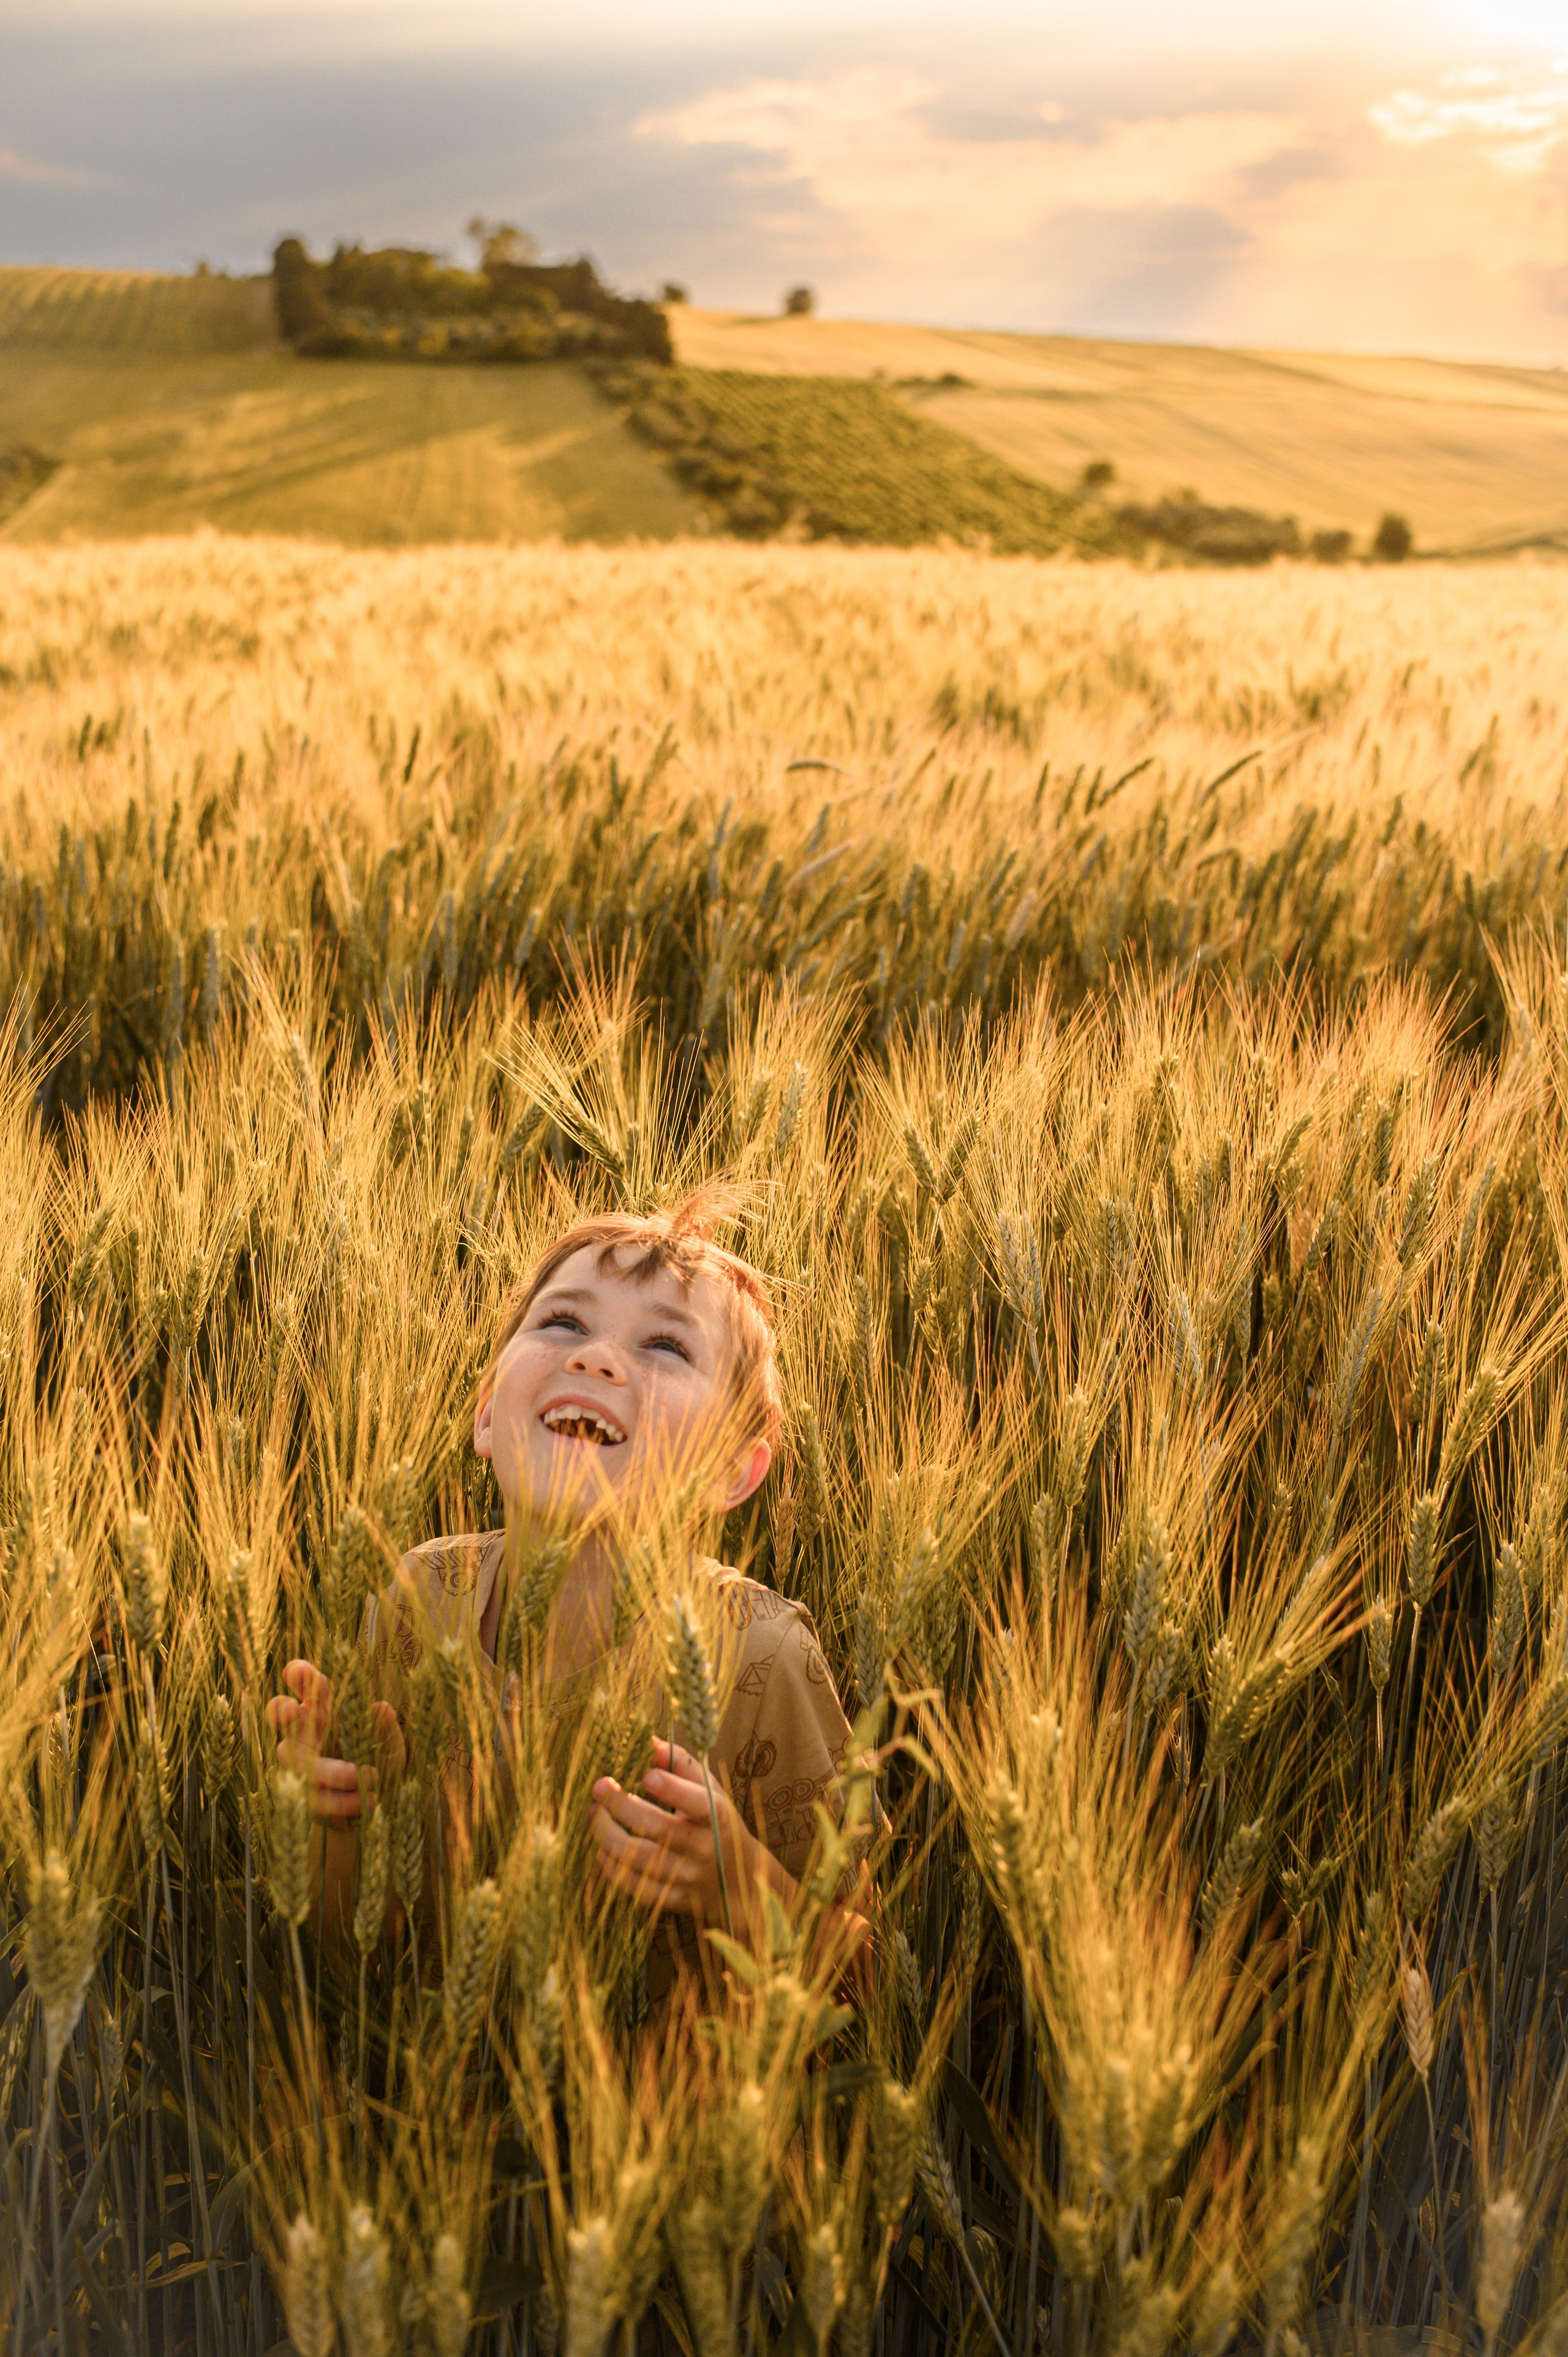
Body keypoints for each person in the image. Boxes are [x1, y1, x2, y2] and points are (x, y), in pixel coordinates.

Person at [266, 1191, 874, 2000]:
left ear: (734, 1470)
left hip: (672, 2115)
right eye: (562, 1325)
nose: (595, 1358)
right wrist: (329, 1818)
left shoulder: (760, 1655)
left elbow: (869, 1983)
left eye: (665, 1345)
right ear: (487, 1414)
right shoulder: (422, 1597)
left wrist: (738, 1881)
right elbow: (364, 1945)